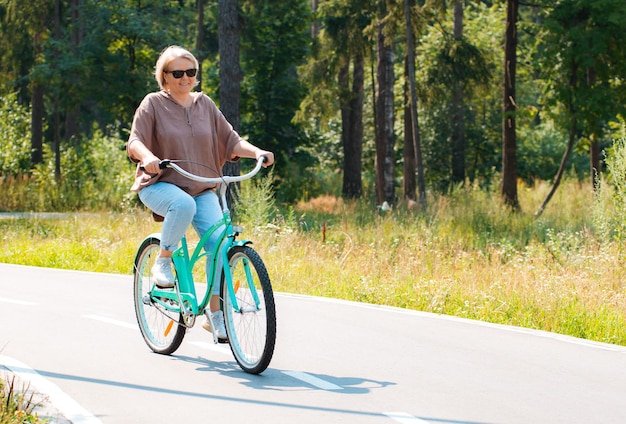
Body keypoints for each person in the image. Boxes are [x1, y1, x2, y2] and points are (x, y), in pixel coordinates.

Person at [126, 45, 274, 340]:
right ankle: (164, 260)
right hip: (160, 184)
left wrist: (257, 151)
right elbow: (135, 141)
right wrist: (148, 158)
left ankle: (216, 314)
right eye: (177, 73)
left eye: (190, 72)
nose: (185, 78)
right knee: (183, 205)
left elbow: (231, 141)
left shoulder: (204, 104)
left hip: (201, 185)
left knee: (220, 246)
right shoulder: (152, 103)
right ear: (164, 77)